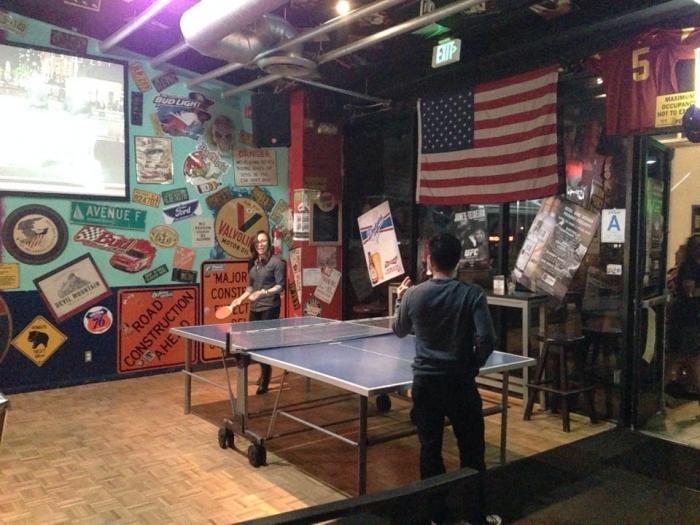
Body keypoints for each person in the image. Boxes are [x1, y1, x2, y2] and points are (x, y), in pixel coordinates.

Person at [392, 233, 498, 525]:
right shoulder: (472, 294)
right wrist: (471, 366)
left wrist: (400, 299)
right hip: (460, 384)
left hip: (426, 384)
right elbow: (487, 339)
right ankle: (475, 516)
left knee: (430, 450)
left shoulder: (413, 295)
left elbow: (399, 330)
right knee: (472, 450)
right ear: (458, 261)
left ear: (429, 260)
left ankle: (437, 516)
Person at [229, 230, 285, 394]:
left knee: (263, 344)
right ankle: (258, 369)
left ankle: (265, 379)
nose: (260, 244)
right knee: (252, 341)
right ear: (254, 245)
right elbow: (250, 287)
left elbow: (280, 286)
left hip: (270, 307)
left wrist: (263, 293)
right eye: (257, 242)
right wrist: (240, 299)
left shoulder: (277, 262)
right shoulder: (252, 262)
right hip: (254, 307)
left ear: (269, 243)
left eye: (263, 241)